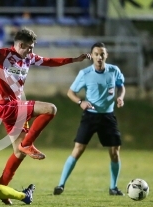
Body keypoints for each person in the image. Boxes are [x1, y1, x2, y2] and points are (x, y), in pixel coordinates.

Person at [0, 28, 89, 204]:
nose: (31, 51)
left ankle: (1, 189)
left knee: (18, 153)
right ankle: (28, 144)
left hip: (15, 108)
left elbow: (50, 61)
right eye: (29, 47)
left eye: (33, 47)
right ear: (19, 44)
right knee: (50, 109)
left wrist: (74, 59)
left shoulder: (29, 58)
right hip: (6, 105)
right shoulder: (4, 54)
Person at [53, 42, 125, 196]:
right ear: (91, 55)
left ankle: (113, 187)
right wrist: (81, 102)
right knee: (78, 149)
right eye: (96, 54)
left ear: (107, 55)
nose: (99, 57)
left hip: (108, 116)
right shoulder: (85, 73)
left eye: (102, 54)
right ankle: (60, 185)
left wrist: (120, 97)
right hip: (90, 116)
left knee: (115, 151)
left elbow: (121, 86)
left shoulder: (114, 70)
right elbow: (70, 92)